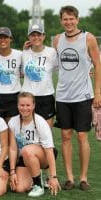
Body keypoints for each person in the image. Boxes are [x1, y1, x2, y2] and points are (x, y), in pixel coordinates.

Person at [53, 5, 101, 191]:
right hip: (63, 96)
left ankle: (83, 178)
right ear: (61, 21)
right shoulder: (57, 40)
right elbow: (52, 62)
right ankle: (70, 178)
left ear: (77, 20)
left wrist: (97, 92)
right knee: (65, 136)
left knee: (82, 136)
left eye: (72, 19)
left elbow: (97, 64)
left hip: (83, 95)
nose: (69, 22)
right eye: (65, 19)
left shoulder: (87, 38)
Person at [8, 92, 61, 197]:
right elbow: (13, 149)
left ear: (33, 106)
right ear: (17, 106)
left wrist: (53, 176)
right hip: (26, 157)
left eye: (28, 105)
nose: (25, 108)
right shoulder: (13, 122)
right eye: (22, 105)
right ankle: (35, 176)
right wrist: (12, 171)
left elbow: (49, 150)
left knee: (26, 150)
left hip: (43, 156)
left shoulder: (40, 122)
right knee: (19, 188)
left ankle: (38, 186)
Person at [21, 24, 58, 127]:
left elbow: (64, 68)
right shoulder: (24, 53)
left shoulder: (52, 52)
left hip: (46, 97)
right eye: (33, 35)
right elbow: (17, 71)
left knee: (46, 135)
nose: (36, 37)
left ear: (44, 36)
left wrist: (84, 71)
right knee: (28, 133)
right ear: (29, 37)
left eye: (39, 34)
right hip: (27, 98)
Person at [0, 27, 22, 122]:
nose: (2, 40)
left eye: (5, 37)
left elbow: (23, 72)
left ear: (11, 39)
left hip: (14, 96)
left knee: (12, 129)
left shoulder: (19, 54)